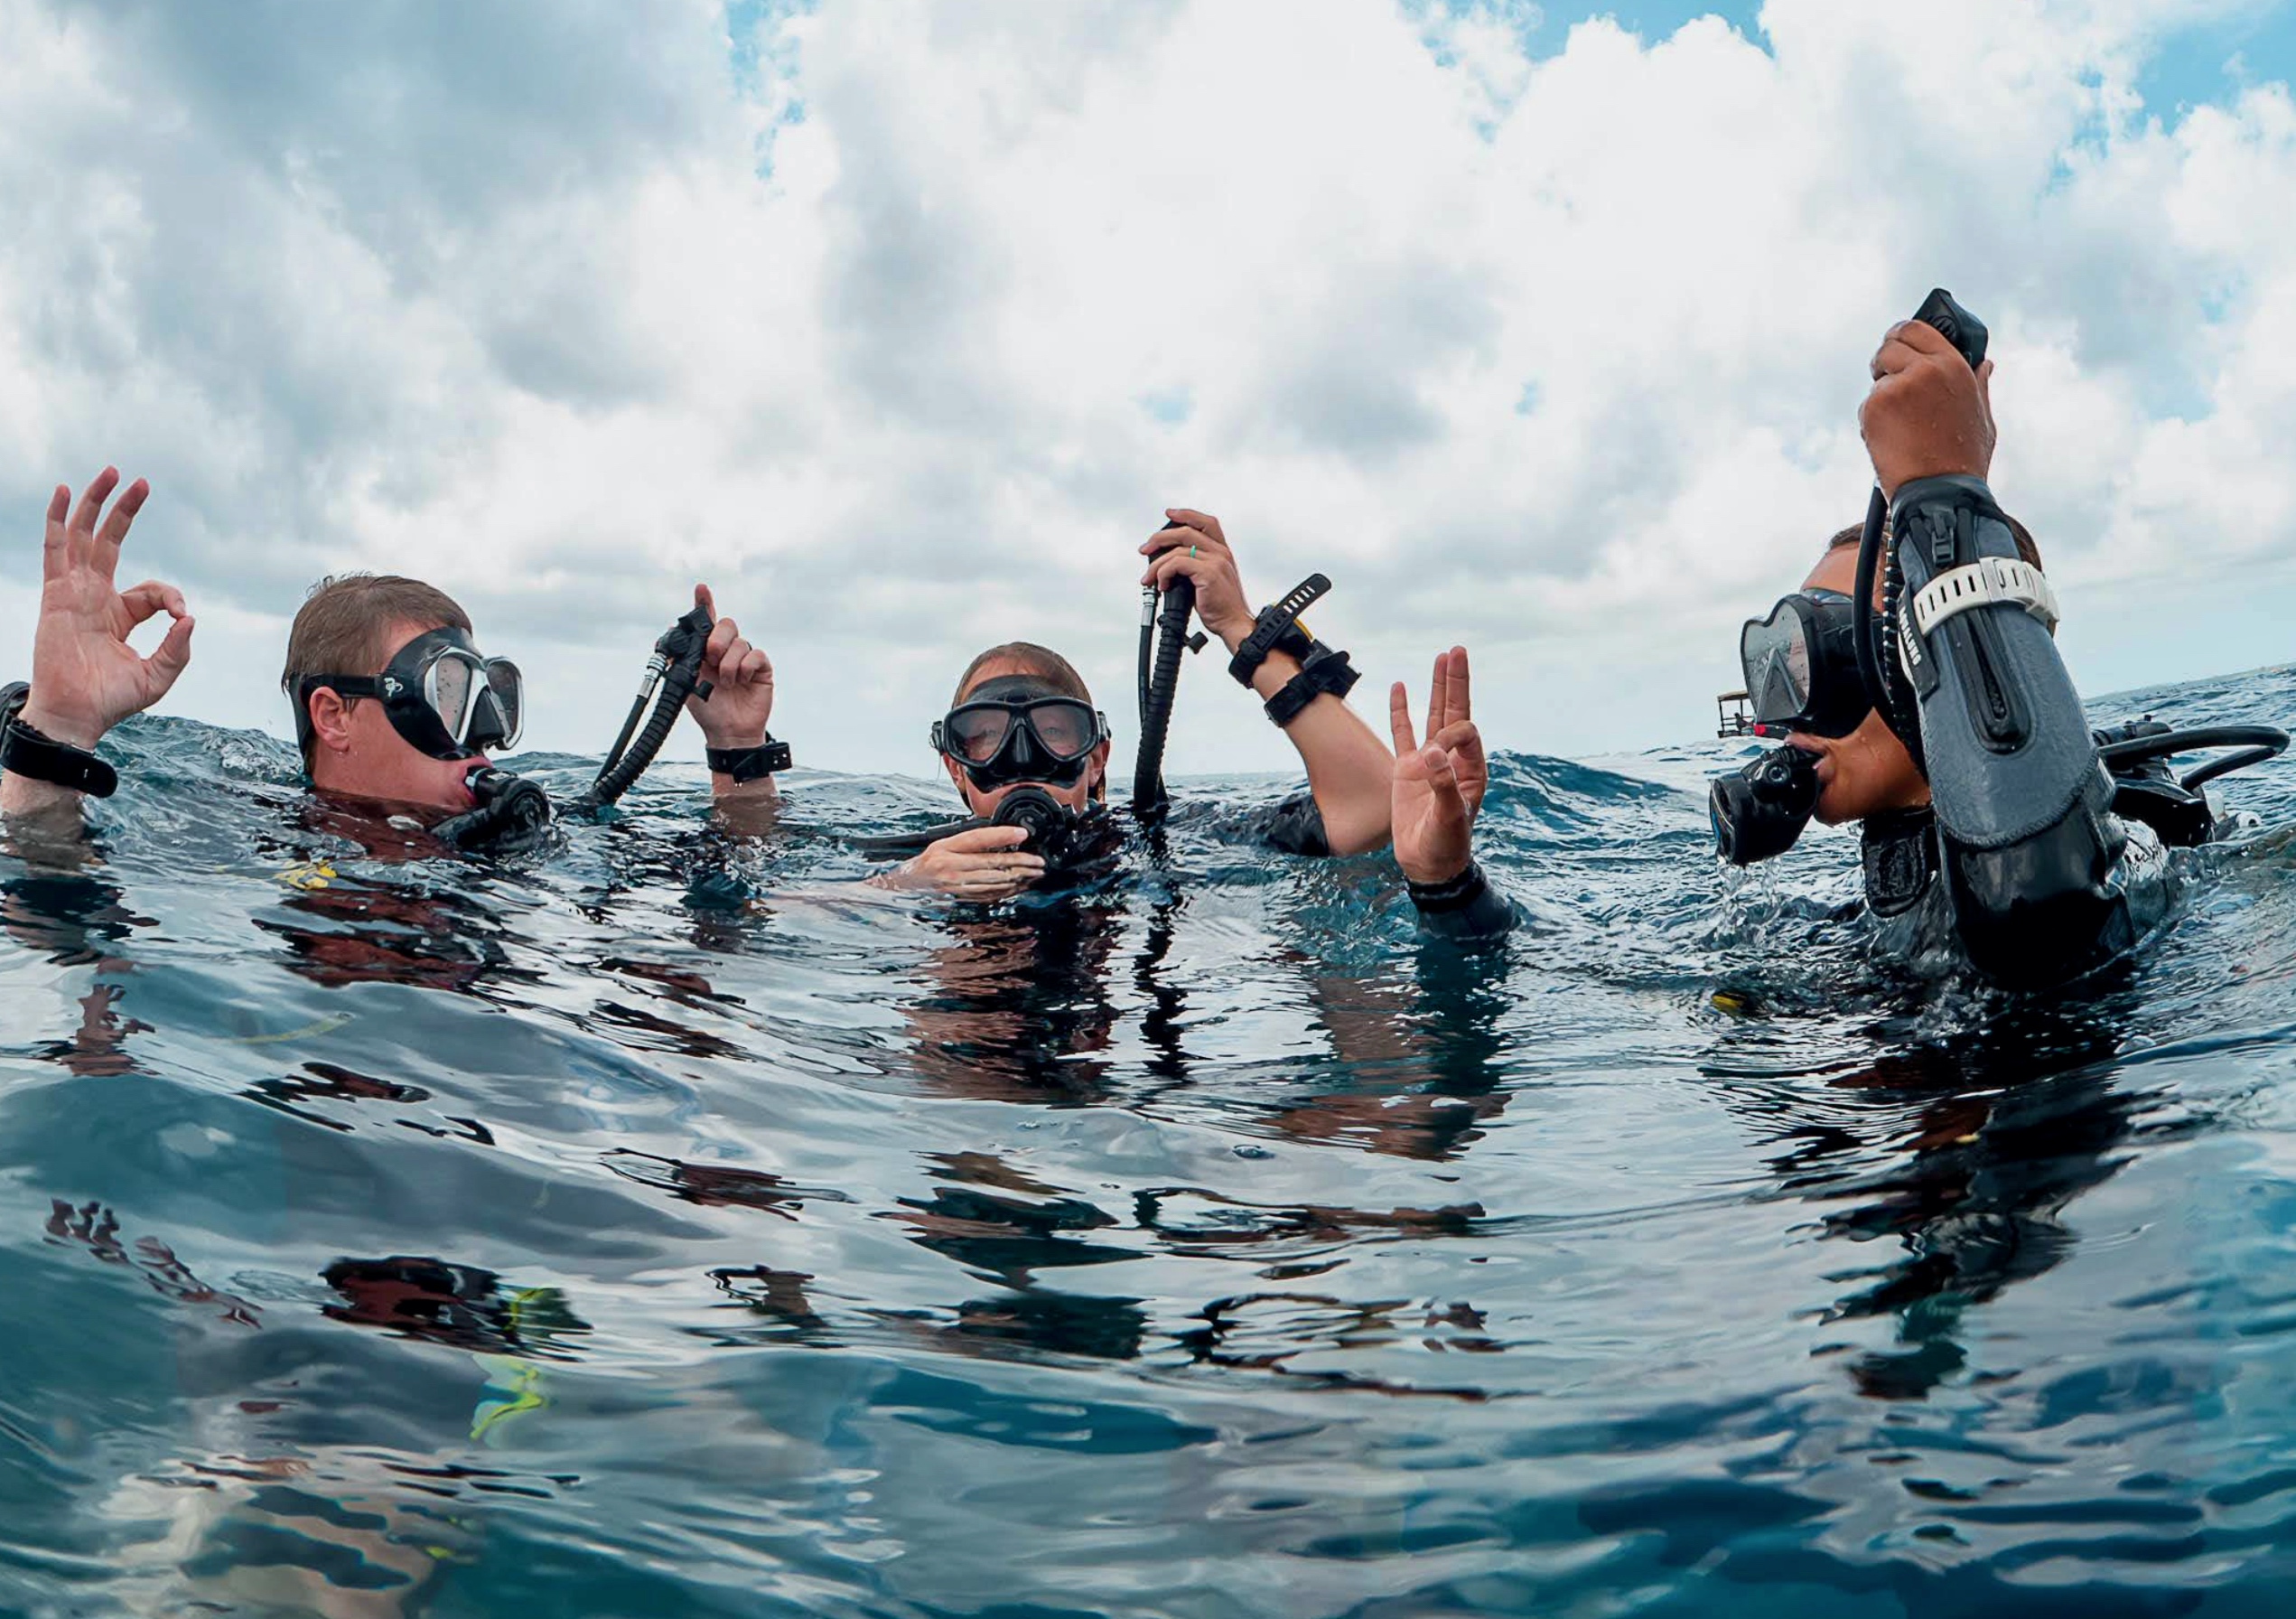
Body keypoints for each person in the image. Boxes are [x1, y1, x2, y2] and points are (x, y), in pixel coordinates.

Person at [1711, 314, 2168, 987]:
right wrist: (1488, 888)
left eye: (1826, 642)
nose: (1794, 703)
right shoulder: (1857, 927)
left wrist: (1942, 501)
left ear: (1926, 665)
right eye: (1780, 658)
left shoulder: (2106, 865)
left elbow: (2038, 912)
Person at [1, 469, 777, 847]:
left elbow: (744, 895)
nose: (479, 732)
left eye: (487, 696)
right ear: (333, 716)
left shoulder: (530, 841)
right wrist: (60, 730)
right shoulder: (240, 831)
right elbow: (41, 876)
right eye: (448, 691)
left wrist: (737, 750)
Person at [811, 509, 1399, 900]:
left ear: (1097, 758)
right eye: (986, 735)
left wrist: (1241, 628)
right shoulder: (913, 862)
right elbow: (768, 916)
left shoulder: (1154, 840)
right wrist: (900, 888)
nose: (1024, 758)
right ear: (957, 768)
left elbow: (1377, 806)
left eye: (1054, 730)